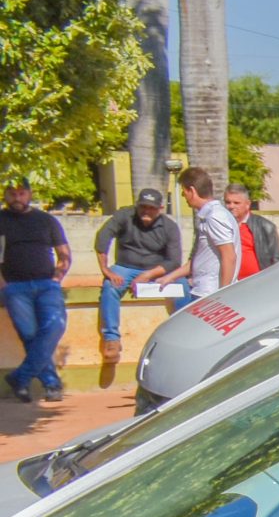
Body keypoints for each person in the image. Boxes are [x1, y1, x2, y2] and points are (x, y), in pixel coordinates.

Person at [93, 188, 184, 364]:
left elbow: (174, 261)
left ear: (160, 208)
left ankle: (183, 333)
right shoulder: (124, 216)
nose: (146, 211)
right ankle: (112, 339)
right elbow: (102, 238)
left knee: (183, 288)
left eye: (151, 208)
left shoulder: (169, 227)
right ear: (137, 205)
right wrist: (106, 270)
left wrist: (147, 275)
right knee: (110, 287)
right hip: (125, 267)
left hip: (156, 271)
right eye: (143, 207)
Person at [0, 179, 72, 403]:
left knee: (55, 326)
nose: (17, 198)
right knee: (30, 335)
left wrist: (57, 278)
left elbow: (64, 253)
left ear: (30, 194)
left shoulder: (46, 220)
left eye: (21, 193)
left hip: (47, 285)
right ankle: (51, 385)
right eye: (12, 194)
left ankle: (20, 378)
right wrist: (3, 285)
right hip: (15, 288)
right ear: (5, 195)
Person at [176, 166, 236, 311]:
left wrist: (223, 295)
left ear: (192, 191)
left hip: (210, 293)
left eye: (184, 192)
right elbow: (201, 258)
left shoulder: (215, 216)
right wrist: (169, 277)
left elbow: (229, 256)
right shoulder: (210, 215)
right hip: (202, 290)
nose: (184, 197)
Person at [225, 184, 279, 277]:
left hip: (259, 281)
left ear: (247, 204)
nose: (231, 206)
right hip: (231, 282)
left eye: (236, 203)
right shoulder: (221, 226)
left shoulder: (265, 226)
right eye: (228, 202)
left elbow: (277, 259)